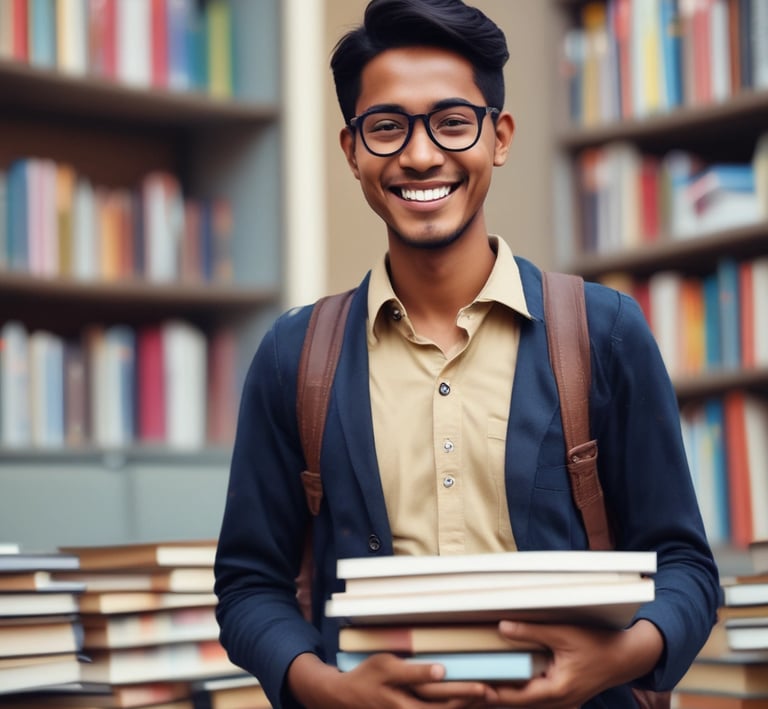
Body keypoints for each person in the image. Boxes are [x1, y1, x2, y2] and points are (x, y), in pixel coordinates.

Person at [214, 1, 720, 707]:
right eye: (386, 127)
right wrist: (327, 689)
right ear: (352, 149)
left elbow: (688, 567)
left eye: (452, 122)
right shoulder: (294, 357)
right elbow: (248, 584)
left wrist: (614, 658)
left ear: (499, 135)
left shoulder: (604, 332)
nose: (421, 155)